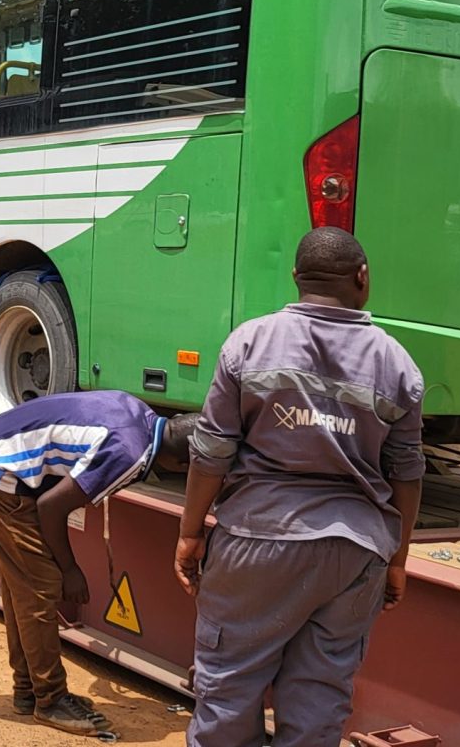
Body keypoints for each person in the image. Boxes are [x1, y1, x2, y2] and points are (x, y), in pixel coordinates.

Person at [175, 227, 425, 747]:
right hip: (354, 553)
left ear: (296, 278)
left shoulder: (250, 342)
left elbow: (211, 451)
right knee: (318, 700)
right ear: (362, 278)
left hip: (257, 540)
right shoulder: (398, 364)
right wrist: (398, 559)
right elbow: (406, 472)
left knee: (228, 691)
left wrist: (190, 532)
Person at [0, 390, 197, 737]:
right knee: (41, 585)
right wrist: (70, 570)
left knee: (22, 582)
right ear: (179, 464)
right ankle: (50, 700)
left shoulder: (141, 413)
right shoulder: (130, 453)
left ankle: (27, 691)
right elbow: (51, 507)